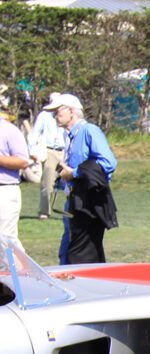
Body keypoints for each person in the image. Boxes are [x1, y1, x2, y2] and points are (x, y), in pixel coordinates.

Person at [50, 94, 116, 265]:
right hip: (75, 200)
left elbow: (108, 163)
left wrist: (74, 173)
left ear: (72, 111)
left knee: (81, 255)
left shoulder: (89, 131)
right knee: (69, 252)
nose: (54, 116)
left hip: (88, 203)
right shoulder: (70, 136)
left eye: (57, 111)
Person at [27, 92, 65, 220]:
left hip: (64, 151)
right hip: (50, 151)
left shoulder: (66, 116)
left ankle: (72, 211)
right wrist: (32, 150)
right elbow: (35, 133)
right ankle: (44, 211)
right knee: (47, 183)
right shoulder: (44, 115)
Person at [0, 112, 28, 243]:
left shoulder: (8, 130)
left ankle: (15, 258)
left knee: (5, 240)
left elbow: (22, 161)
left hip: (5, 190)